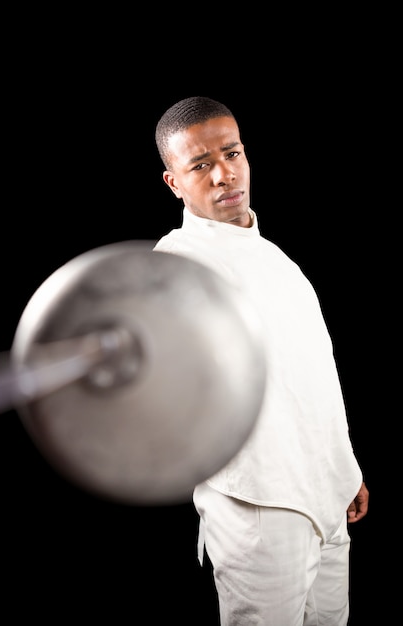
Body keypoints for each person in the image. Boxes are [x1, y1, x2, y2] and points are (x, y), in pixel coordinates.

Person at [153, 96, 369, 625]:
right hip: (259, 509)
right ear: (174, 183)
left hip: (326, 496)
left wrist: (344, 469)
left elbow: (310, 375)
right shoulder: (178, 262)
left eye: (232, 153)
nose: (224, 174)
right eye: (200, 165)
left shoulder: (278, 260)